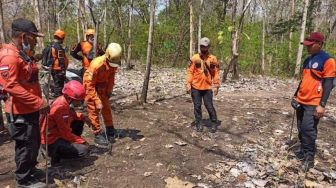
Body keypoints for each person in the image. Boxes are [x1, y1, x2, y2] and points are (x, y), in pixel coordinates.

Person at [0, 18, 49, 188]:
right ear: (23, 36)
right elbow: (11, 85)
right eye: (33, 37)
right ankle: (24, 179)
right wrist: (38, 102)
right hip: (19, 111)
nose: (35, 40)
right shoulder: (9, 57)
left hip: (30, 109)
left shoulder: (22, 53)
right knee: (25, 145)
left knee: (33, 142)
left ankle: (31, 169)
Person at [292, 32, 335, 171]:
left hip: (314, 102)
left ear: (319, 44)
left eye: (310, 45)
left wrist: (322, 105)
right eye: (307, 45)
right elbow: (303, 81)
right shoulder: (307, 60)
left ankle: (309, 158)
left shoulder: (328, 60)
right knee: (300, 127)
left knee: (308, 130)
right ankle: (303, 151)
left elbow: (328, 83)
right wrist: (295, 96)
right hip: (301, 100)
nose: (308, 48)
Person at [40, 80, 89, 166]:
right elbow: (65, 133)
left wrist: (83, 117)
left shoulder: (63, 101)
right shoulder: (60, 109)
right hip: (52, 141)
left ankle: (67, 146)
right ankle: (55, 156)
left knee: (79, 120)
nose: (80, 102)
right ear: (70, 99)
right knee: (84, 150)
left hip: (56, 135)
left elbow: (73, 114)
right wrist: (82, 141)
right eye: (79, 100)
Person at [83, 43, 122, 146]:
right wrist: (96, 100)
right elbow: (89, 84)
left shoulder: (114, 62)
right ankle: (97, 133)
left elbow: (111, 78)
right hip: (92, 90)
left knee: (106, 109)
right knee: (94, 111)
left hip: (103, 89)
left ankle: (110, 129)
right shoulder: (96, 65)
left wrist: (109, 91)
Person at [186, 37, 220, 133]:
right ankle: (198, 123)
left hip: (207, 87)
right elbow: (190, 72)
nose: (203, 48)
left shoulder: (213, 59)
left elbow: (216, 73)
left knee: (209, 105)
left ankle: (214, 122)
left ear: (208, 47)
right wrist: (188, 84)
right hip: (195, 87)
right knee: (197, 106)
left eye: (204, 46)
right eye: (201, 46)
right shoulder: (194, 58)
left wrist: (216, 85)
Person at [50, 29, 69, 97]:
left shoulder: (52, 44)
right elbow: (61, 58)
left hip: (54, 68)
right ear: (61, 38)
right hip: (58, 69)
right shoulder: (58, 46)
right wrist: (63, 70)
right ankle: (58, 98)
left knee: (56, 83)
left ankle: (56, 94)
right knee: (59, 85)